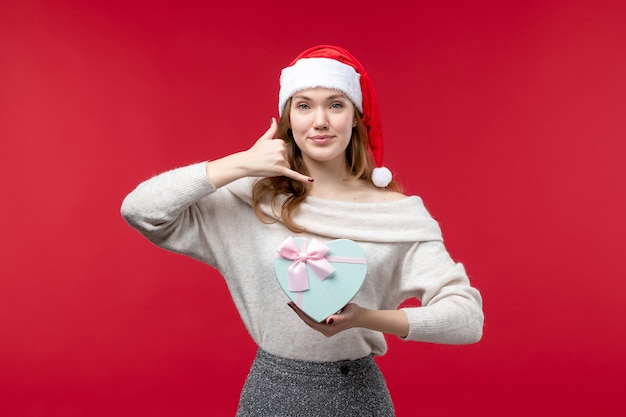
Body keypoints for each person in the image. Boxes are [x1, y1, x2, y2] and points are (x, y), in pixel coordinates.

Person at [121, 44, 484, 416]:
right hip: (270, 394)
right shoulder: (252, 201)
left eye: (336, 104)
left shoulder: (396, 214)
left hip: (357, 397)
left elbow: (467, 318)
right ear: (288, 119)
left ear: (356, 117)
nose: (320, 120)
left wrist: (364, 318)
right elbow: (140, 210)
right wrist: (239, 164)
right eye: (305, 105)